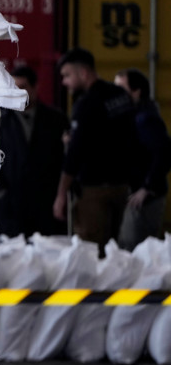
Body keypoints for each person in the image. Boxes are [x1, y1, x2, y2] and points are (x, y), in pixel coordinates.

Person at [52, 47, 138, 251]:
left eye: (67, 75)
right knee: (115, 251)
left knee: (91, 253)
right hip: (121, 187)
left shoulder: (86, 104)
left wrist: (61, 194)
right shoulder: (121, 96)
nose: (64, 82)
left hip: (94, 192)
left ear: (83, 73)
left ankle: (95, 285)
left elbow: (75, 154)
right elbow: (129, 138)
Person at [0, 65, 70, 239]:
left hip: (46, 205)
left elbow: (65, 159)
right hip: (11, 205)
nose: (17, 92)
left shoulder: (56, 119)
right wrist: (2, 192)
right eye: (14, 88)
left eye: (23, 87)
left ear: (35, 88)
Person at [114, 68, 171, 250]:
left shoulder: (145, 118)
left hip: (144, 198)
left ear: (136, 91)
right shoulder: (133, 116)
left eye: (121, 89)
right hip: (136, 193)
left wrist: (146, 188)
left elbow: (164, 153)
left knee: (133, 248)